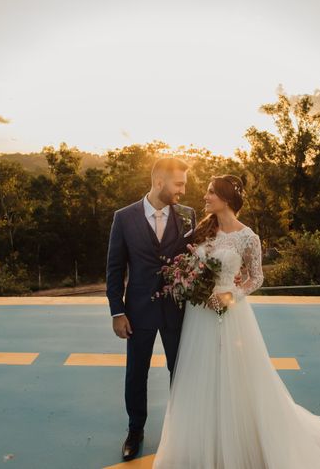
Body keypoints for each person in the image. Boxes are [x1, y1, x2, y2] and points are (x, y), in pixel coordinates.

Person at [152, 174, 320, 469]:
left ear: (226, 199)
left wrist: (230, 296)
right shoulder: (202, 231)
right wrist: (192, 285)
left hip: (229, 314)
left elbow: (256, 278)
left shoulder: (248, 237)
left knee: (235, 377)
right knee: (199, 375)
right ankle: (202, 442)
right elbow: (187, 266)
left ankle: (237, 442)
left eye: (210, 193)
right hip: (199, 316)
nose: (204, 197)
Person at [106, 157, 197, 462]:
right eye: (179, 183)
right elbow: (115, 268)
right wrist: (117, 312)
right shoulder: (123, 218)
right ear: (160, 182)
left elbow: (196, 260)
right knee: (136, 374)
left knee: (180, 373)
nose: (183, 190)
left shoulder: (187, 216)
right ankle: (135, 431)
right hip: (138, 312)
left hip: (177, 310)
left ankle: (181, 430)